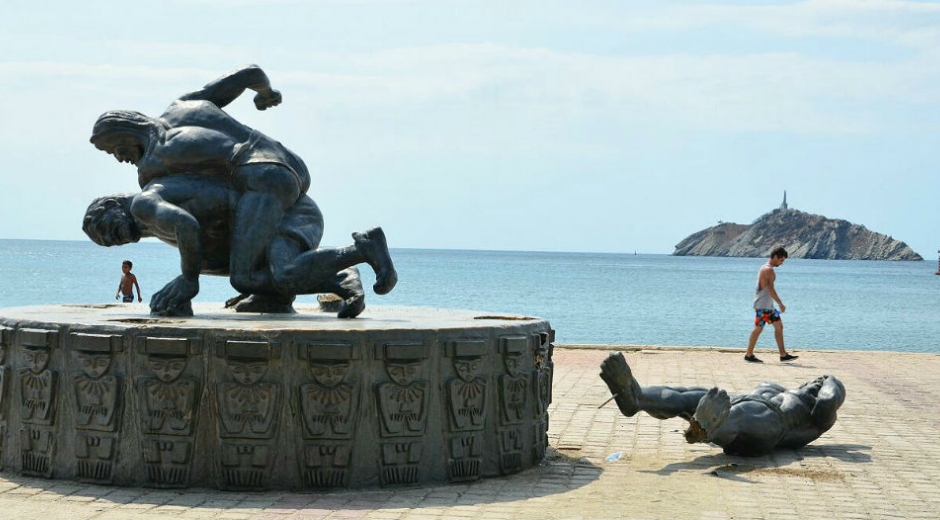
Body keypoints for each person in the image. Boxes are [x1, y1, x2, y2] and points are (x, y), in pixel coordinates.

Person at [89, 64, 363, 299]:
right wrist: (266, 94)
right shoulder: (182, 107)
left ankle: (350, 263)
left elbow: (182, 218)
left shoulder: (153, 165)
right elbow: (249, 73)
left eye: (113, 149)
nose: (119, 158)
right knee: (256, 261)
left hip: (261, 178)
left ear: (121, 133)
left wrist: (188, 279)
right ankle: (275, 298)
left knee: (242, 278)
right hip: (290, 166)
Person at [83, 173, 396, 318]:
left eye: (112, 231)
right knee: (250, 279)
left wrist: (188, 281)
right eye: (113, 242)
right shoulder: (152, 219)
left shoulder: (145, 204)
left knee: (280, 274)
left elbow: (187, 227)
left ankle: (362, 248)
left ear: (114, 204)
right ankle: (341, 279)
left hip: (289, 214)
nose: (120, 239)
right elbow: (215, 252)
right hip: (281, 214)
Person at [599, 352, 845, 456]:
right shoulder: (782, 388)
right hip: (735, 402)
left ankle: (708, 427)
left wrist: (831, 381)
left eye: (818, 384)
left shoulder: (818, 418)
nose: (816, 382)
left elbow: (827, 400)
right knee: (686, 394)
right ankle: (636, 399)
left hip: (771, 424)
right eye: (815, 380)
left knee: (742, 415)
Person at [745, 246, 798, 363]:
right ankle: (748, 355)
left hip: (768, 306)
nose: (782, 263)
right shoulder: (768, 270)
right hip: (763, 306)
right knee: (758, 328)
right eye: (781, 260)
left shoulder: (766, 268)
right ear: (775, 257)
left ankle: (783, 355)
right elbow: (770, 289)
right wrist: (780, 303)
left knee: (779, 327)